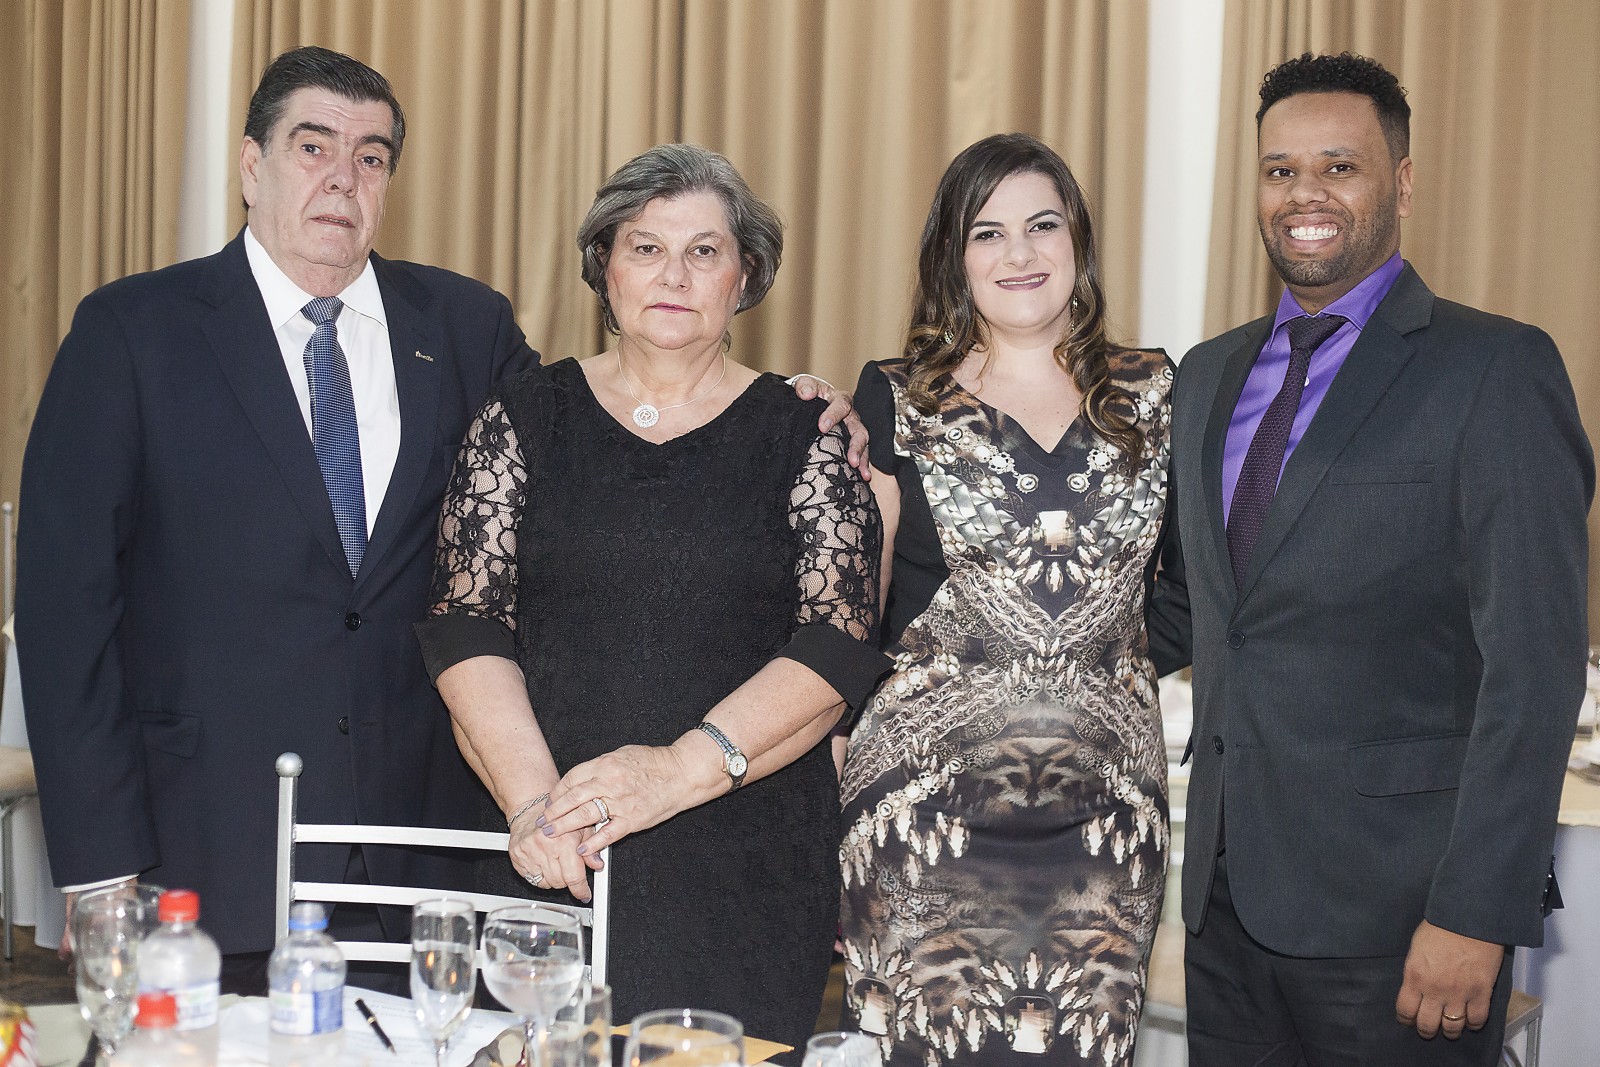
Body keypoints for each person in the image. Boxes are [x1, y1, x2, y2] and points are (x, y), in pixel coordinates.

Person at [15, 47, 859, 985]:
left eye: (371, 157)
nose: (343, 178)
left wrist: (794, 410)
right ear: (251, 165)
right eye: (312, 147)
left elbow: (616, 441)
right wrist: (98, 863)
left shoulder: (464, 326)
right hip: (201, 850)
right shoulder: (132, 332)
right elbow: (65, 611)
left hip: (427, 866)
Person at [1146, 52, 1593, 1066]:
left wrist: (1475, 911)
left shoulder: (1494, 369)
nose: (1304, 194)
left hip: (1404, 919)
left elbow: (1533, 667)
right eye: (1279, 170)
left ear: (1402, 182)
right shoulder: (1208, 374)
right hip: (1222, 905)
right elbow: (1196, 605)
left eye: (1338, 167)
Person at [415, 143, 887, 1048]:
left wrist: (673, 771)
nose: (674, 275)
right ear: (605, 266)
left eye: (705, 251)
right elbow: (468, 625)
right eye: (645, 247)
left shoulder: (810, 434)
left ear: (745, 277)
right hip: (551, 861)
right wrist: (536, 808)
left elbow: (835, 652)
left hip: (744, 876)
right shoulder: (521, 419)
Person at [838, 134, 1173, 1066]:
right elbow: (858, 610)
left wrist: (1098, 678)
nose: (1018, 253)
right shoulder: (894, 398)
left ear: (1078, 242)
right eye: (988, 233)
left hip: (1105, 835)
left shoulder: (1156, 393)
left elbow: (1189, 590)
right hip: (920, 824)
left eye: (1042, 226)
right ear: (954, 256)